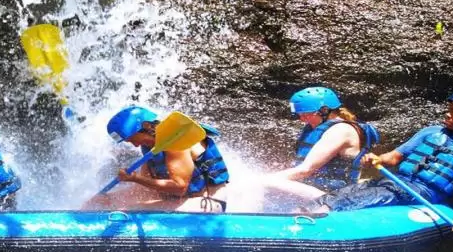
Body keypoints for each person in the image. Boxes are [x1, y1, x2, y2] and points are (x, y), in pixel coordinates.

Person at [308, 89, 453, 234]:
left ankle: (315, 225)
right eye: (449, 109)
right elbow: (394, 157)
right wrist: (378, 159)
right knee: (337, 195)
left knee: (356, 200)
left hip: (424, 193)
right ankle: (303, 216)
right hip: (395, 182)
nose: (448, 114)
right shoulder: (432, 132)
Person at [83, 106, 230, 213]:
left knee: (129, 212)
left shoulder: (175, 140)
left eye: (133, 139)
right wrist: (109, 198)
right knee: (110, 203)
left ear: (146, 126)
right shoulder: (151, 146)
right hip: (182, 201)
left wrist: (134, 178)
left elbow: (179, 187)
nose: (134, 144)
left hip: (207, 203)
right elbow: (145, 189)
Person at [259, 87, 380, 208]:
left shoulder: (341, 130)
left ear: (324, 110)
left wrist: (259, 180)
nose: (302, 119)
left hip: (334, 197)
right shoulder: (318, 128)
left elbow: (305, 170)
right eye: (299, 115)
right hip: (317, 191)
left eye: (306, 115)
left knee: (263, 182)